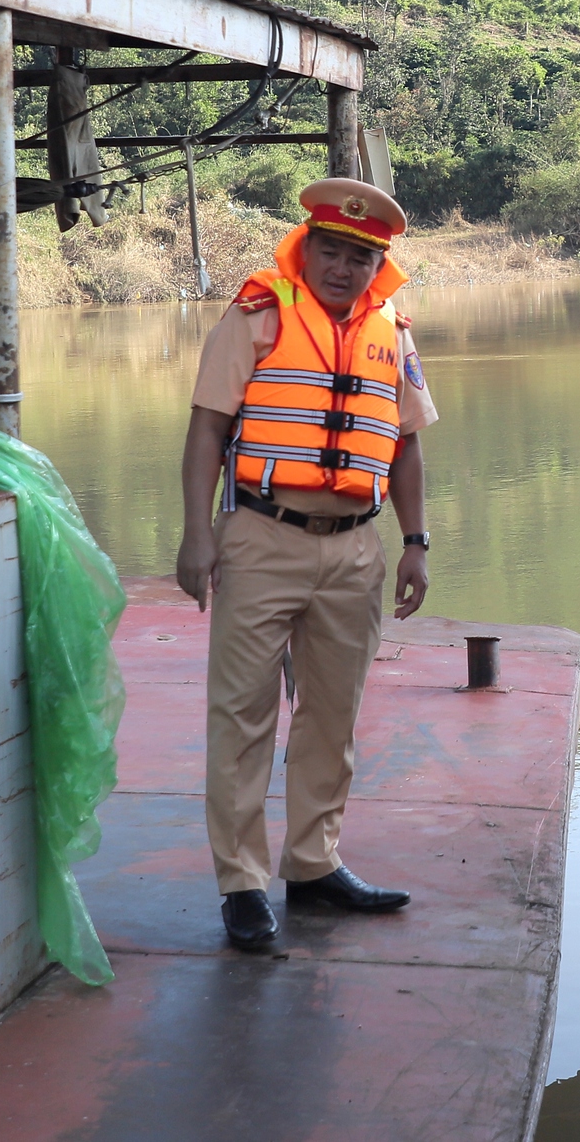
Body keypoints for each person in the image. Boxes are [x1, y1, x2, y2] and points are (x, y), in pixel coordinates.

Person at [175, 177, 437, 952]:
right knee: (243, 715)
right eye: (332, 250)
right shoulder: (256, 315)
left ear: (377, 266)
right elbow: (205, 432)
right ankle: (243, 884)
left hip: (357, 545)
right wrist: (197, 535)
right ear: (306, 247)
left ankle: (314, 865)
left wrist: (415, 541)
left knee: (333, 714)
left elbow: (406, 443)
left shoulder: (393, 329)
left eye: (362, 257)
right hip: (262, 535)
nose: (344, 268)